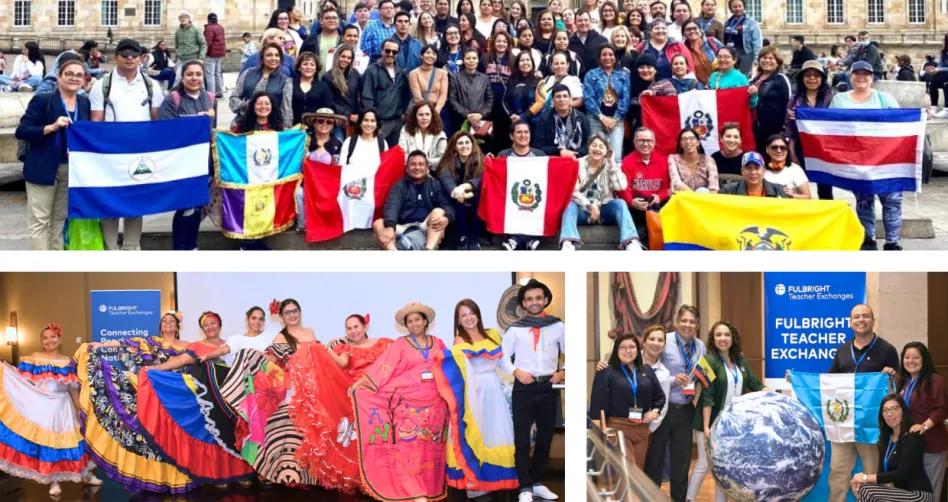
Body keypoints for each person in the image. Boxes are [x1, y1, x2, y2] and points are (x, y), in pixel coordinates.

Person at [78, 313, 194, 493]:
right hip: (154, 393)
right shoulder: (150, 342)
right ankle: (153, 477)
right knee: (152, 436)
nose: (168, 323)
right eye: (164, 321)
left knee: (174, 437)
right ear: (160, 327)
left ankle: (175, 477)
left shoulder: (188, 346)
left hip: (177, 396)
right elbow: (125, 343)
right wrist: (101, 345)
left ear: (178, 327)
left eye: (172, 321)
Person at [137, 312, 255, 486]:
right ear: (202, 329)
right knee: (215, 436)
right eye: (205, 325)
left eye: (212, 323)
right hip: (209, 400)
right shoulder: (196, 346)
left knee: (236, 433)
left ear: (219, 325)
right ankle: (219, 475)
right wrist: (155, 368)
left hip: (232, 398)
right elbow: (180, 360)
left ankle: (242, 473)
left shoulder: (230, 344)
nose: (209, 327)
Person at [351, 302, 449, 501]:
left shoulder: (438, 343)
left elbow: (449, 367)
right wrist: (360, 385)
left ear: (425, 321)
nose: (414, 324)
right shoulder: (400, 344)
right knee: (408, 450)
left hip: (436, 407)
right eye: (410, 321)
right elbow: (383, 369)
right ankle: (413, 493)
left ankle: (428, 491)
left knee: (429, 452)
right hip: (408, 407)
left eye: (417, 319)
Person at [291, 313, 393, 492]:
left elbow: (392, 363)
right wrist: (324, 348)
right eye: (349, 328)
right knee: (357, 442)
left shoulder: (383, 344)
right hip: (354, 398)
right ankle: (363, 480)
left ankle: (381, 478)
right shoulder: (347, 348)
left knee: (379, 438)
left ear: (364, 326)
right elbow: (341, 363)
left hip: (379, 398)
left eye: (356, 326)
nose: (353, 331)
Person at [0, 323, 99, 496]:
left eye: (52, 337)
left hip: (64, 406)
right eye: (45, 338)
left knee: (74, 443)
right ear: (41, 341)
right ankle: (54, 480)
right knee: (50, 444)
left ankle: (85, 474)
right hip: (42, 407)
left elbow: (72, 388)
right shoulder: (34, 358)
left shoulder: (67, 361)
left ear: (59, 339)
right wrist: (5, 367)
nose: (49, 340)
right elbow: (22, 380)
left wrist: (77, 408)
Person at [89, 38, 164, 251]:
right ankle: (110, 247)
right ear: (116, 58)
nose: (129, 59)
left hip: (139, 152)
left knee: (135, 202)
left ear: (141, 58)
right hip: (111, 152)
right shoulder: (102, 85)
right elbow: (96, 121)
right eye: (124, 55)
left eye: (134, 55)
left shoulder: (151, 85)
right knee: (109, 201)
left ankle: (132, 245)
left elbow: (157, 120)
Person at [438, 299, 518, 497]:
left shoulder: (492, 335)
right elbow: (458, 371)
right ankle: (477, 483)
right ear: (458, 321)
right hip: (473, 396)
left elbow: (503, 363)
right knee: (476, 436)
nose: (468, 318)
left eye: (471, 313)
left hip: (494, 394)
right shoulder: (459, 341)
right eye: (463, 315)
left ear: (478, 314)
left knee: (497, 436)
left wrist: (518, 372)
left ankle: (497, 481)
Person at [825, 304, 901, 502]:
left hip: (871, 424)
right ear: (850, 323)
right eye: (856, 317)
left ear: (873, 320)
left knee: (871, 473)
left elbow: (899, 384)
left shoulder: (887, 349)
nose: (861, 320)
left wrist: (893, 376)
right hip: (842, 424)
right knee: (838, 472)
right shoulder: (842, 351)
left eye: (865, 316)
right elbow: (830, 385)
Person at [499, 279, 565, 502]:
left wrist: (563, 370)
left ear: (545, 300)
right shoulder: (515, 329)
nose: (534, 302)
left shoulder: (558, 325)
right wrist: (516, 371)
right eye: (529, 299)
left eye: (538, 298)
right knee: (522, 440)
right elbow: (502, 359)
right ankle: (524, 487)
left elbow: (570, 352)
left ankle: (537, 482)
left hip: (548, 387)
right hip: (523, 388)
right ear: (524, 304)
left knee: (546, 438)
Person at [15, 60, 90, 251]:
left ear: (84, 80)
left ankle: (57, 261)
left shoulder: (84, 102)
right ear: (59, 76)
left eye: (79, 75)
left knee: (60, 218)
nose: (74, 78)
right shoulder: (43, 99)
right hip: (42, 167)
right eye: (69, 73)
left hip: (70, 168)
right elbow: (22, 130)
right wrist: (51, 127)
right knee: (40, 220)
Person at [686, 321, 765, 502]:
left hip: (732, 425)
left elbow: (755, 384)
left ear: (733, 338)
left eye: (726, 335)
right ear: (713, 339)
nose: (723, 338)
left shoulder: (740, 359)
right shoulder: (707, 361)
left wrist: (778, 393)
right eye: (718, 335)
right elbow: (707, 395)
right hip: (709, 421)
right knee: (704, 463)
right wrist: (707, 427)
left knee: (724, 467)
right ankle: (689, 499)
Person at [830, 61, 902, 251]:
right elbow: (829, 128)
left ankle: (893, 241)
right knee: (864, 202)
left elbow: (902, 124)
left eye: (866, 74)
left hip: (887, 161)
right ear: (851, 76)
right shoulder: (839, 100)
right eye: (857, 73)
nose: (861, 77)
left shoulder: (885, 98)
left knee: (892, 201)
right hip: (858, 161)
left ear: (872, 77)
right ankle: (868, 238)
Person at [643, 305, 705, 502]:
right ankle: (651, 498)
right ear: (677, 322)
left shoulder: (700, 346)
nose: (687, 325)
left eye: (692, 321)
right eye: (684, 320)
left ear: (697, 324)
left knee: (681, 462)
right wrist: (672, 380)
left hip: (686, 409)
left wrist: (696, 383)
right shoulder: (663, 341)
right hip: (663, 408)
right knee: (655, 460)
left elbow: (700, 373)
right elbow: (649, 370)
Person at [157, 60, 216, 251]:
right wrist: (192, 123)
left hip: (203, 160)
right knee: (185, 206)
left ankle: (192, 245)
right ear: (182, 77)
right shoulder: (172, 98)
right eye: (190, 74)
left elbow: (211, 131)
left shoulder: (209, 97)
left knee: (198, 205)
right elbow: (165, 130)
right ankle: (180, 247)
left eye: (198, 74)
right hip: (181, 161)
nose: (194, 78)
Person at [589, 333, 665, 469]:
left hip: (642, 429)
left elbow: (660, 397)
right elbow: (596, 405)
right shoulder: (606, 371)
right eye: (623, 347)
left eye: (632, 347)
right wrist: (599, 434)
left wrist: (655, 411)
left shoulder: (646, 370)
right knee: (628, 472)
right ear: (616, 350)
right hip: (618, 429)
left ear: (638, 350)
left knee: (638, 472)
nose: (628, 351)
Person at [560, 133, 642, 251]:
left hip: (603, 210)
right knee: (569, 205)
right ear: (588, 147)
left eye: (601, 147)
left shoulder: (611, 165)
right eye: (594, 145)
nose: (597, 149)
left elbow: (621, 186)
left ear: (606, 151)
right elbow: (572, 191)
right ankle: (568, 242)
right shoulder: (577, 164)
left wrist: (612, 163)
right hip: (582, 210)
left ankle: (630, 242)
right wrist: (589, 205)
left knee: (620, 203)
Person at [851, 394, 934, 502]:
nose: (890, 413)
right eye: (885, 410)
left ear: (903, 410)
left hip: (918, 495)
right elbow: (882, 475)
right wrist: (858, 485)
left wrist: (865, 478)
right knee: (863, 488)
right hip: (899, 493)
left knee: (867, 490)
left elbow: (901, 474)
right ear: (882, 415)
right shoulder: (885, 440)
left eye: (894, 408)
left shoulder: (913, 436)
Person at [896, 342, 948, 498]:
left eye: (915, 357)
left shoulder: (935, 380)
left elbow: (941, 410)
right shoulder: (905, 382)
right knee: (914, 493)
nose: (910, 361)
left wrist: (924, 426)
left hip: (931, 445)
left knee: (930, 491)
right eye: (907, 357)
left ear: (924, 359)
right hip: (911, 446)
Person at [374, 150, 454, 250]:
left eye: (421, 164)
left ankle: (428, 250)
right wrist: (390, 226)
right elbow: (392, 206)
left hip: (425, 227)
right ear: (406, 169)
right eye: (413, 164)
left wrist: (447, 218)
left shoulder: (435, 184)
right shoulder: (399, 185)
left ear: (427, 168)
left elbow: (447, 205)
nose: (417, 167)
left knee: (439, 212)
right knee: (378, 223)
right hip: (402, 227)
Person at [785, 60, 835, 200]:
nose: (812, 78)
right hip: (801, 147)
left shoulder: (831, 98)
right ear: (802, 78)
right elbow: (789, 127)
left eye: (816, 75)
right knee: (800, 186)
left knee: (825, 189)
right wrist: (792, 152)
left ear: (822, 78)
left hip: (824, 149)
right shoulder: (794, 99)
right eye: (808, 75)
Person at [618, 127, 669, 247]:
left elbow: (668, 187)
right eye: (641, 140)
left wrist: (659, 197)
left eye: (649, 140)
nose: (645, 144)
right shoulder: (627, 162)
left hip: (657, 205)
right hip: (637, 207)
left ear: (654, 142)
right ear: (634, 142)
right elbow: (623, 188)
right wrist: (631, 201)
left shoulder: (663, 161)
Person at [436, 131, 484, 249]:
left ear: (472, 145)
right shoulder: (447, 161)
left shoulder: (480, 160)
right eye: (460, 143)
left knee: (476, 199)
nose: (464, 146)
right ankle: (461, 238)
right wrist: (456, 191)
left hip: (474, 196)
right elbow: (445, 179)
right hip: (453, 196)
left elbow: (481, 179)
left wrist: (464, 186)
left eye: (467, 142)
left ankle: (474, 239)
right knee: (460, 201)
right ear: (455, 147)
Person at [583, 44, 630, 162]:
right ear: (599, 57)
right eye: (604, 54)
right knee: (596, 156)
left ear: (615, 57)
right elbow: (588, 98)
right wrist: (602, 118)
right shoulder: (591, 74)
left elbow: (625, 99)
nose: (607, 57)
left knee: (616, 157)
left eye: (611, 54)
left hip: (616, 121)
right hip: (595, 120)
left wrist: (615, 119)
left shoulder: (623, 75)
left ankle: (614, 180)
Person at [231, 42, 293, 129]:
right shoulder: (248, 73)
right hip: (244, 123)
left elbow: (286, 110)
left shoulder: (285, 81)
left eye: (277, 55)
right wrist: (248, 106)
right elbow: (234, 98)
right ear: (262, 58)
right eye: (269, 55)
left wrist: (287, 131)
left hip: (271, 127)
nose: (273, 58)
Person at [362, 39, 409, 147]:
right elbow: (367, 98)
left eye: (394, 52)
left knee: (393, 157)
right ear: (381, 51)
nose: (391, 54)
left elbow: (405, 95)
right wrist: (374, 122)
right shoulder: (372, 71)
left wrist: (403, 113)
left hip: (397, 122)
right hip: (380, 123)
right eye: (387, 51)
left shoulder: (400, 72)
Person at [197, 306, 277, 366]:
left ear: (264, 321)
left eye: (260, 319)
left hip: (267, 379)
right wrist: (207, 356)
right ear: (247, 319)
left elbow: (274, 359)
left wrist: (255, 353)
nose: (257, 322)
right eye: (254, 318)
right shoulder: (237, 339)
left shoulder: (269, 337)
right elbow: (223, 350)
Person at [749, 46, 791, 152]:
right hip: (756, 129)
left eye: (771, 58)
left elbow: (788, 104)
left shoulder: (781, 79)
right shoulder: (754, 80)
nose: (767, 60)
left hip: (774, 131)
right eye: (764, 58)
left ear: (778, 62)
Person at [448, 47, 493, 139]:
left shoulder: (484, 78)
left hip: (481, 121)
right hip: (461, 120)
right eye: (468, 58)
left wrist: (481, 114)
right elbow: (452, 99)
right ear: (463, 61)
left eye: (474, 58)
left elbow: (490, 99)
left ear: (477, 60)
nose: (471, 61)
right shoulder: (455, 77)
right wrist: (467, 115)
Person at [535, 84, 589, 158]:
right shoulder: (544, 119)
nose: (562, 99)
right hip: (554, 160)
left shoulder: (581, 117)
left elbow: (588, 143)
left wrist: (575, 154)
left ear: (570, 99)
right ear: (552, 101)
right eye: (558, 96)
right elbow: (539, 147)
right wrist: (559, 151)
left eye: (565, 96)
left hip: (578, 158)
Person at [483, 32, 515, 152]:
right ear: (493, 43)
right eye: (498, 41)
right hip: (488, 104)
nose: (501, 44)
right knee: (488, 136)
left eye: (504, 41)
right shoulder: (485, 58)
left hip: (505, 105)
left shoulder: (513, 59)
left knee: (505, 135)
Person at [532, 51, 584, 117]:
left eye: (562, 63)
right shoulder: (547, 79)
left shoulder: (573, 80)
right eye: (556, 63)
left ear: (567, 65)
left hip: (564, 117)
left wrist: (563, 105)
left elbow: (579, 101)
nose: (559, 66)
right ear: (551, 66)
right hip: (544, 117)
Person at [668, 127, 719, 193]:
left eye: (692, 138)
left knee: (702, 191)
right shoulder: (673, 159)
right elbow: (676, 183)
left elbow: (714, 188)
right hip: (683, 199)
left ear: (698, 142)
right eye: (684, 139)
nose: (688, 142)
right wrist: (694, 198)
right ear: (680, 144)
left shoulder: (709, 160)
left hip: (705, 200)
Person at [399, 102, 448, 168]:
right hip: (411, 169)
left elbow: (442, 158)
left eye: (427, 114)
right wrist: (418, 164)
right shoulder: (405, 130)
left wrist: (424, 163)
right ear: (415, 116)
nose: (424, 118)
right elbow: (402, 154)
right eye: (420, 115)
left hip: (433, 171)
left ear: (432, 116)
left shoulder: (440, 134)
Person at [761, 134, 810, 199]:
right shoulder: (759, 169)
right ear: (767, 149)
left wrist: (793, 195)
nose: (779, 150)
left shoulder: (795, 169)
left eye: (783, 148)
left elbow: (808, 197)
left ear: (787, 150)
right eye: (774, 147)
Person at [291, 52, 332, 126]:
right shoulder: (290, 84)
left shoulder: (323, 86)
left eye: (312, 64)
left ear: (316, 69)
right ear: (299, 67)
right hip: (293, 128)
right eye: (305, 64)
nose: (308, 67)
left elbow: (328, 109)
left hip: (316, 128)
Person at [720, 151, 787, 197]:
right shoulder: (727, 191)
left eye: (757, 168)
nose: (753, 172)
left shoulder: (780, 191)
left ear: (764, 171)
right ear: (742, 171)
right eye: (748, 168)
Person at [407, 45, 449, 116]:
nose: (431, 55)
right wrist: (427, 113)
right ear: (421, 56)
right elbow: (417, 98)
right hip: (420, 111)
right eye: (428, 52)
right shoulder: (414, 73)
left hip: (438, 110)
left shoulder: (442, 73)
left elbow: (443, 95)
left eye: (434, 54)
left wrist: (436, 111)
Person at [300, 10, 343, 78]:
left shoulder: (344, 41)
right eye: (328, 18)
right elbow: (301, 61)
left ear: (338, 21)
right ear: (321, 21)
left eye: (334, 18)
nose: (331, 20)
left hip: (338, 82)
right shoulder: (310, 40)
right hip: (315, 81)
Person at [723, 0, 761, 76]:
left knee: (744, 77)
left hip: (746, 53)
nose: (738, 9)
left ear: (743, 7)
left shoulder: (751, 22)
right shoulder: (727, 22)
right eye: (735, 7)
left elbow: (757, 40)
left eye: (740, 6)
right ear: (730, 8)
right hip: (731, 53)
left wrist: (757, 57)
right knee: (731, 76)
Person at [568, 10, 609, 79]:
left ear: (590, 22)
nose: (583, 23)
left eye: (586, 20)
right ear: (575, 23)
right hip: (577, 82)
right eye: (580, 20)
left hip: (598, 80)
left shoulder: (602, 40)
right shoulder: (569, 43)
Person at [682, 18, 721, 86]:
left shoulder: (712, 42)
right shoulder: (683, 51)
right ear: (683, 34)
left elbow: (728, 57)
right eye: (688, 29)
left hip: (720, 85)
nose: (692, 31)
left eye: (695, 28)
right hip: (699, 89)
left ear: (700, 31)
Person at [506, 52, 540, 123]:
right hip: (514, 121)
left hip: (534, 122)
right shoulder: (511, 80)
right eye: (522, 60)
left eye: (528, 60)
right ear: (517, 64)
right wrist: (511, 114)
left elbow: (540, 103)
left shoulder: (539, 80)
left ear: (532, 63)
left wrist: (523, 117)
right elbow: (505, 100)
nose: (525, 62)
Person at [173, 11, 207, 84]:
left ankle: (203, 94)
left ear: (189, 19)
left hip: (193, 58)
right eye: (181, 18)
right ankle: (175, 95)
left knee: (197, 79)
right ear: (179, 20)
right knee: (177, 79)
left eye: (185, 17)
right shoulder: (178, 31)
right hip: (181, 59)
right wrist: (176, 59)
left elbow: (203, 44)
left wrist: (200, 58)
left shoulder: (196, 29)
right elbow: (176, 45)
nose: (183, 19)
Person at [203, 13, 226, 97]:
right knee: (217, 74)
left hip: (211, 55)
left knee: (210, 75)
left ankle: (211, 95)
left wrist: (203, 54)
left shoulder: (209, 28)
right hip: (220, 54)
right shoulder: (220, 27)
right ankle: (219, 92)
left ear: (208, 19)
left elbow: (207, 42)